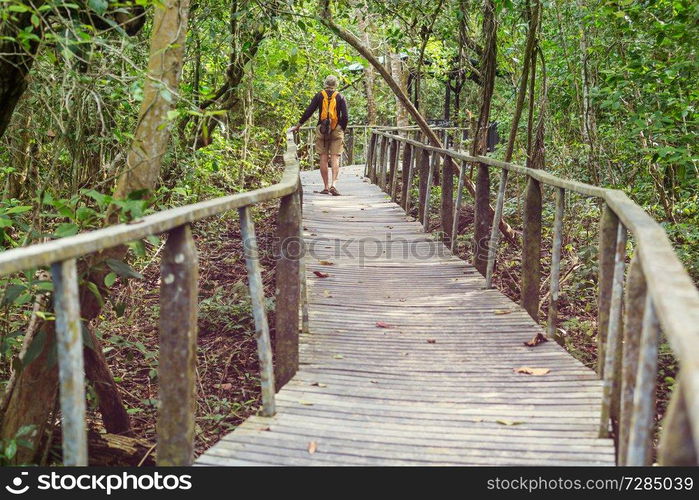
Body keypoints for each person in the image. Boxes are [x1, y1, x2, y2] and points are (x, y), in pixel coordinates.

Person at [292, 75, 349, 196]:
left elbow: (309, 110)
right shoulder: (340, 96)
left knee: (323, 158)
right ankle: (334, 184)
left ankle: (326, 187)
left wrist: (298, 125)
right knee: (335, 158)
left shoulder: (319, 95)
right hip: (336, 129)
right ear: (336, 84)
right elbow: (345, 116)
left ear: (325, 83)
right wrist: (341, 128)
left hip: (322, 129)